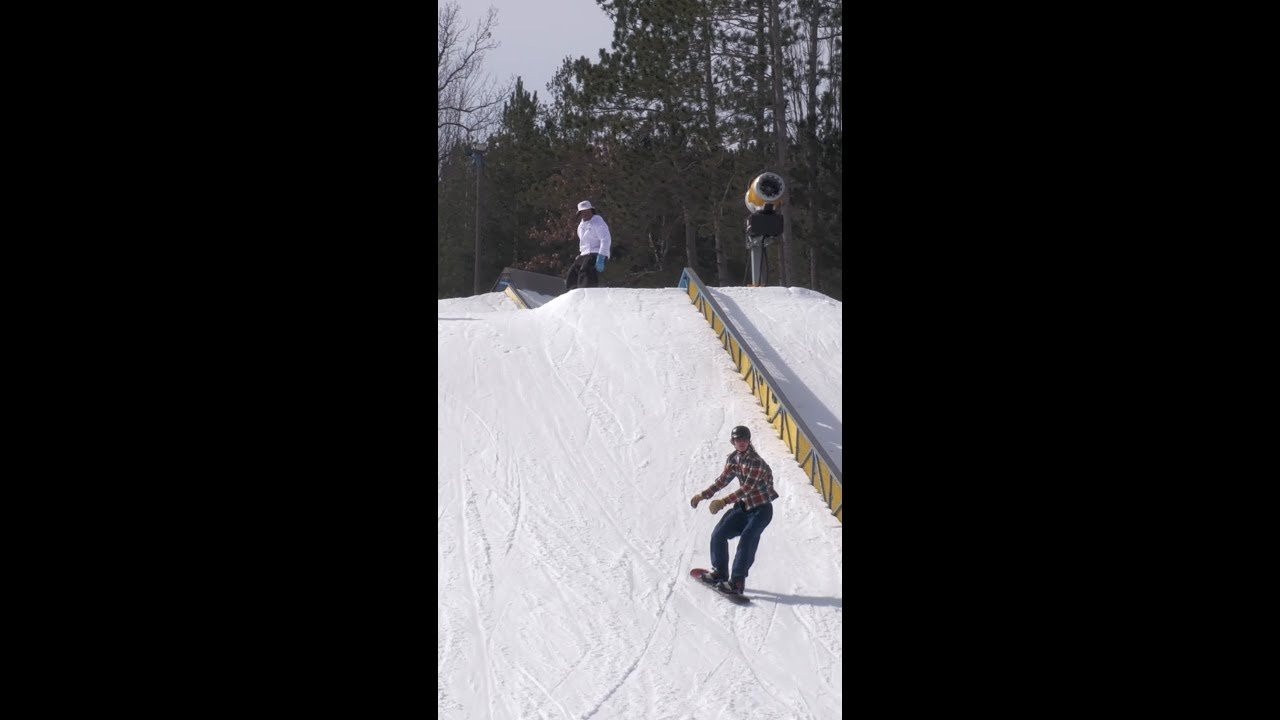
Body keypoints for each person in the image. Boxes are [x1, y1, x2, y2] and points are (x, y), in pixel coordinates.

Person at [689, 425, 779, 595]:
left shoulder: (756, 462)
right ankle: (720, 572)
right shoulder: (733, 459)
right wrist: (703, 495)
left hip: (761, 510)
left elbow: (747, 488)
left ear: (749, 441)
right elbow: (722, 480)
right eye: (738, 440)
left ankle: (737, 582)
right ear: (733, 442)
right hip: (744, 508)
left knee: (747, 539)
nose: (742, 443)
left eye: (745, 439)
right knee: (719, 534)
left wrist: (723, 501)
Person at [565, 200, 611, 290]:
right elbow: (583, 243)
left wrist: (601, 256)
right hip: (585, 254)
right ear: (580, 214)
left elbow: (605, 239)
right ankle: (572, 294)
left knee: (586, 269)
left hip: (597, 253)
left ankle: (587, 292)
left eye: (587, 211)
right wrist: (580, 256)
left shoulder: (598, 223)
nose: (585, 214)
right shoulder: (581, 227)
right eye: (583, 212)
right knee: (572, 272)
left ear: (591, 211)